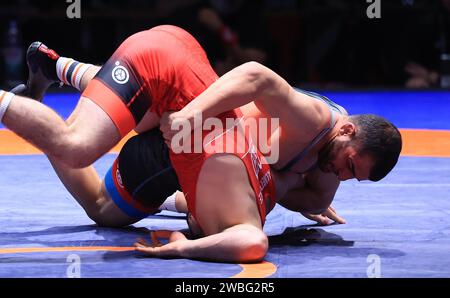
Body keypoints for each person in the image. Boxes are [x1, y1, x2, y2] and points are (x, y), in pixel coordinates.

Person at [0, 25, 402, 262]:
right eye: (349, 166)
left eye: (353, 179)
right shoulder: (311, 121)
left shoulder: (315, 180)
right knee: (80, 145)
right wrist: (180, 248)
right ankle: (25, 98)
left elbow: (306, 200)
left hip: (183, 104)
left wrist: (309, 196)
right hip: (178, 89)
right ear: (347, 131)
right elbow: (256, 76)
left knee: (109, 202)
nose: (342, 176)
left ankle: (51, 76)